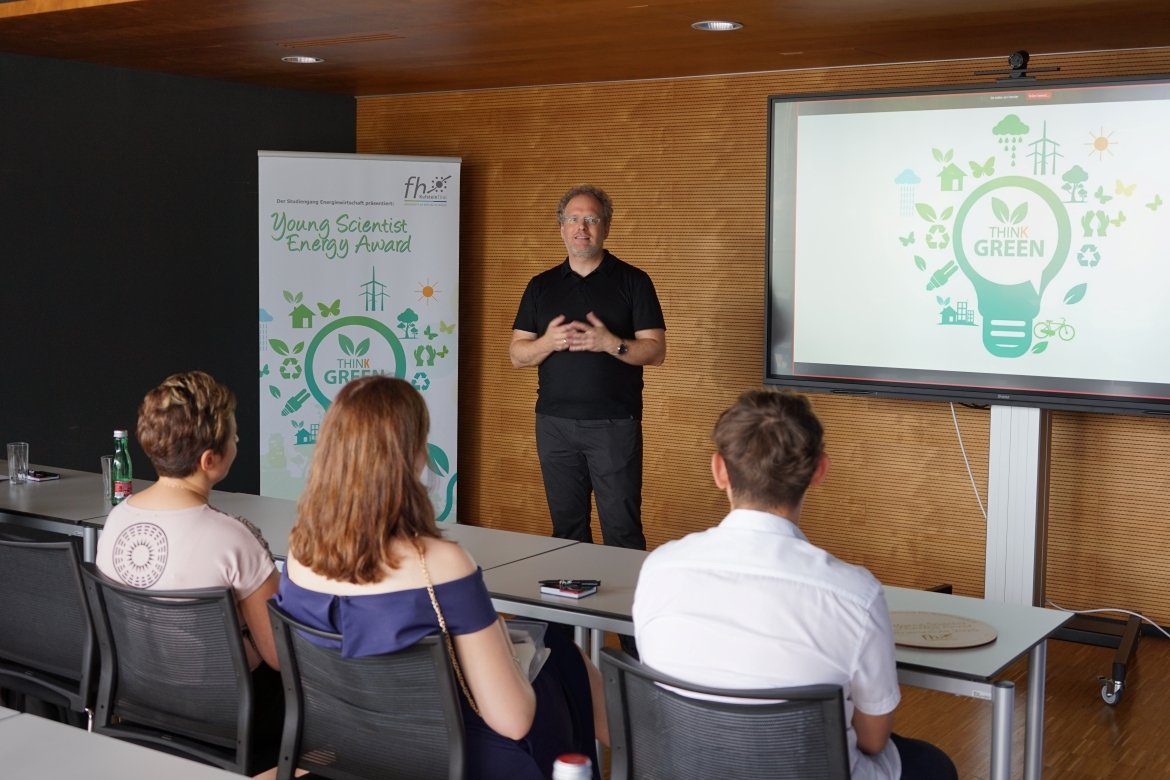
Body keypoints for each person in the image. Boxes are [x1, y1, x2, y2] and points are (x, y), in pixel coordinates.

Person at [274, 375, 607, 780]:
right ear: (412, 456)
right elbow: (513, 720)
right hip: (445, 756)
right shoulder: (441, 563)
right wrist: (505, 651)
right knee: (561, 661)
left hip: (352, 746)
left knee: (554, 643)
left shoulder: (300, 553)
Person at [632, 389, 958, 780]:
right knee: (933, 765)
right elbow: (873, 740)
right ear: (820, 470)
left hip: (686, 769)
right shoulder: (855, 595)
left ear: (719, 470)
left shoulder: (659, 569)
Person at [95, 371, 283, 771]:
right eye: (233, 435)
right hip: (229, 720)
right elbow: (281, 655)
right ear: (209, 460)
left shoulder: (115, 519)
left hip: (141, 705)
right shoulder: (234, 537)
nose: (238, 440)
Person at [510, 185, 666, 552]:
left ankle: (625, 594)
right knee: (566, 533)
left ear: (606, 228)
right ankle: (572, 593)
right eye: (574, 219)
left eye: (592, 219)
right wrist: (548, 342)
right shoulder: (540, 286)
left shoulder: (634, 281)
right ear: (561, 228)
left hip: (614, 425)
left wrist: (611, 343)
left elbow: (656, 351)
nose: (582, 227)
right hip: (553, 425)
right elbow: (518, 355)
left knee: (622, 532)